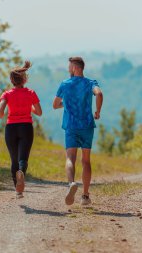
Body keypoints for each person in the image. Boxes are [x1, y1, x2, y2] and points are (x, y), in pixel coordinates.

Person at [53, 57, 103, 205]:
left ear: (75, 68)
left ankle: (71, 184)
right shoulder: (90, 83)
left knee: (70, 158)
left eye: (69, 66)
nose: (68, 69)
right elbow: (99, 94)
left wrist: (67, 103)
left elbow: (55, 105)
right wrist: (98, 111)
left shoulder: (65, 84)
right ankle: (85, 196)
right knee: (86, 161)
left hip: (71, 126)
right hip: (87, 125)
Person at [0, 61, 42, 199]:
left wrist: (5, 113)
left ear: (11, 80)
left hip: (11, 128)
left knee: (13, 160)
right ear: (24, 79)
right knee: (23, 159)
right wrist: (29, 108)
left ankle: (18, 190)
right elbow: (39, 112)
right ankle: (21, 172)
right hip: (26, 127)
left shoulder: (7, 94)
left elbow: (0, 112)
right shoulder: (30, 93)